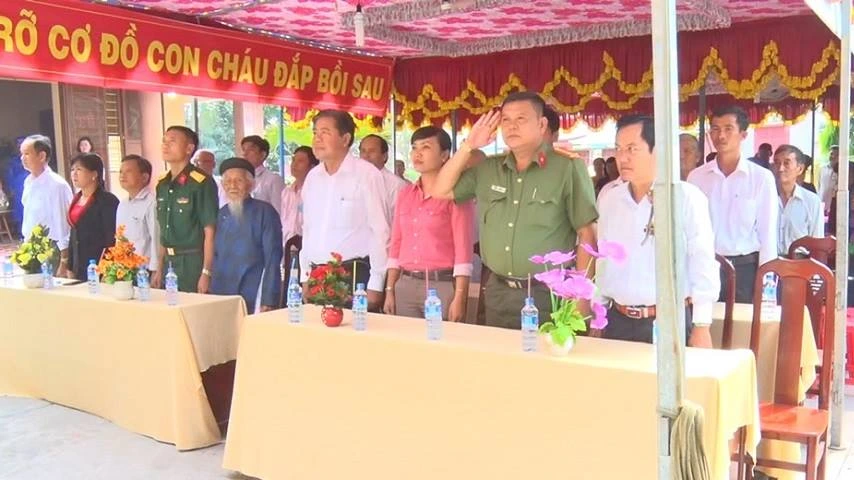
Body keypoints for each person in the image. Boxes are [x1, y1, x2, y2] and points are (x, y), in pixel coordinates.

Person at [431, 92, 598, 329]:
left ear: (542, 125)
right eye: (506, 120)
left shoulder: (567, 168)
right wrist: (469, 146)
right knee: (500, 363)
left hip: (549, 294)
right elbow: (439, 190)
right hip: (499, 291)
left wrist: (583, 298)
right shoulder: (488, 169)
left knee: (546, 365)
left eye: (521, 119)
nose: (511, 126)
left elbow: (587, 234)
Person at [595, 115, 718, 347]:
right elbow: (604, 260)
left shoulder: (686, 198)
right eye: (619, 149)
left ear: (658, 150)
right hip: (617, 320)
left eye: (632, 149)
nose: (622, 157)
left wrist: (702, 325)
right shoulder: (610, 199)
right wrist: (598, 315)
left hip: (667, 319)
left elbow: (702, 261)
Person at [300, 110, 389, 311]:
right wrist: (305, 275)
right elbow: (308, 229)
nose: (317, 139)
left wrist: (376, 282)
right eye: (315, 133)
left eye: (325, 132)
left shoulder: (367, 175)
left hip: (354, 275)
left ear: (345, 138)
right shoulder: (313, 177)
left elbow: (380, 230)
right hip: (317, 276)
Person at [383, 126, 475, 321]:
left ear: (444, 156)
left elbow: (463, 250)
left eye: (425, 147)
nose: (418, 153)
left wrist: (460, 296)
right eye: (414, 147)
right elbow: (396, 243)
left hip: (440, 285)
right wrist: (390, 288)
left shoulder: (456, 195)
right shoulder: (406, 194)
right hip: (405, 283)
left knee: (440, 345)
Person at [687, 105, 778, 303]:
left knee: (742, 330)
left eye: (728, 129)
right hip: (705, 268)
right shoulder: (697, 177)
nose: (721, 136)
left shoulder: (761, 178)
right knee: (703, 329)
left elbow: (768, 233)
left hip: (745, 270)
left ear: (743, 135)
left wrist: (767, 284)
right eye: (715, 129)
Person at [210, 158, 283, 314]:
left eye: (238, 181)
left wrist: (268, 298)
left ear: (250, 184)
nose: (232, 186)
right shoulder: (222, 214)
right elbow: (217, 255)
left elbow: (273, 257)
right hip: (223, 289)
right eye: (228, 181)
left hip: (254, 287)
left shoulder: (265, 212)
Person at [153, 126, 218, 293]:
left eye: (172, 141)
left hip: (192, 262)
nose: (165, 146)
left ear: (189, 148)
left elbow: (210, 232)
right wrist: (159, 267)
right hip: (168, 262)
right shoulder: (162, 184)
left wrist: (206, 272)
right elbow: (163, 230)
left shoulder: (201, 182)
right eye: (164, 141)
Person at [20, 134, 73, 276]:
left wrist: (64, 260)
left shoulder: (57, 185)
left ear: (42, 156)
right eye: (21, 154)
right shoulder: (28, 182)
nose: (22, 158)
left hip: (52, 249)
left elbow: (64, 223)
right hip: (30, 247)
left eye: (27, 154)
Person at [66, 153, 119, 280]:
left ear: (94, 174)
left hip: (97, 264)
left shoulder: (106, 200)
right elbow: (74, 232)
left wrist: (107, 267)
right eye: (72, 169)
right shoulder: (76, 198)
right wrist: (70, 265)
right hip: (78, 263)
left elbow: (111, 237)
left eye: (79, 169)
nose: (74, 174)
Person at [774, 145, 822, 256]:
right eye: (777, 163)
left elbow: (817, 243)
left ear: (800, 169)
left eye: (786, 163)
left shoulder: (812, 201)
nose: (780, 168)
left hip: (801, 265)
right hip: (771, 264)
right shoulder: (766, 198)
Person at [116, 154, 159, 276]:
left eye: (128, 171)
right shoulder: (122, 204)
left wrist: (155, 271)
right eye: (120, 172)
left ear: (144, 177)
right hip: (124, 270)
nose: (122, 175)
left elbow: (156, 239)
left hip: (145, 270)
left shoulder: (152, 203)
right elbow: (119, 238)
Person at [360, 134, 407, 225]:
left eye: (372, 151)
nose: (366, 156)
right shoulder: (354, 180)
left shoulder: (397, 185)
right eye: (363, 151)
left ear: (384, 156)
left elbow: (399, 223)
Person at [280, 146, 318, 244]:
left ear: (312, 166)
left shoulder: (315, 192)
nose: (294, 164)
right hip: (287, 245)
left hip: (308, 245)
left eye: (300, 161)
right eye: (293, 160)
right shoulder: (287, 192)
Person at [240, 135, 285, 215]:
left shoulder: (273, 179)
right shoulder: (240, 179)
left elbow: (279, 211)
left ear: (262, 155)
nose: (245, 154)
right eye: (243, 150)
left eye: (250, 150)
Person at [818, 145, 839, 217]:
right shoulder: (822, 169)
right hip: (822, 204)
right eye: (831, 153)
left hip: (835, 207)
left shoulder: (842, 172)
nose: (833, 156)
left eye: (836, 154)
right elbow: (819, 186)